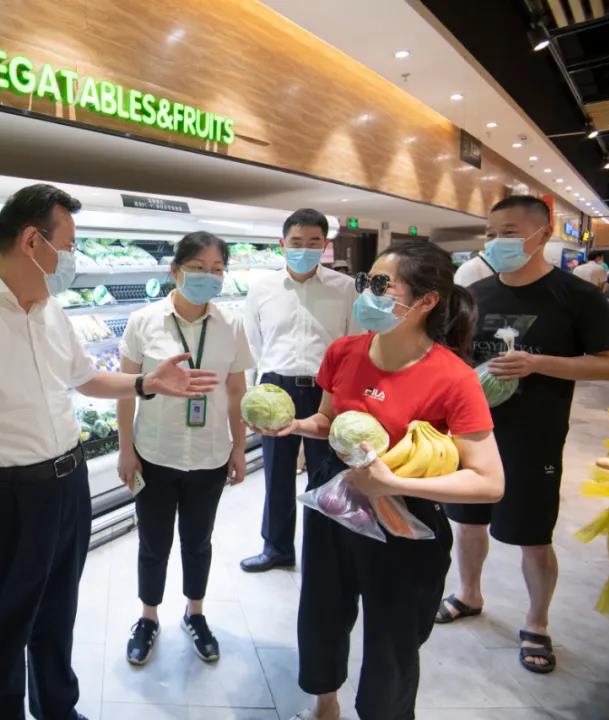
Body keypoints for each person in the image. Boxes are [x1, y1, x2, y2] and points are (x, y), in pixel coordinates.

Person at [0, 184, 218, 720]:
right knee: (2, 629)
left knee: (57, 615)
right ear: (33, 242)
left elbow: (85, 378)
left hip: (67, 486)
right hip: (2, 497)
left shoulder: (51, 310)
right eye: (68, 246)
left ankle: (59, 710)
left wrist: (146, 383)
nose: (72, 258)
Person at [251, 241, 504, 720]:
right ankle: (324, 705)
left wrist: (393, 484)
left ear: (427, 301)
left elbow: (489, 481)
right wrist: (296, 425)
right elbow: (329, 420)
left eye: (382, 285)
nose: (367, 292)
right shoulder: (343, 351)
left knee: (393, 641)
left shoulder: (453, 378)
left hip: (406, 521)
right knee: (322, 612)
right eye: (367, 281)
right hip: (335, 503)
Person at [440, 196, 609, 674]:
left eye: (510, 233)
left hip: (535, 436)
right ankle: (468, 594)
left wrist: (538, 363)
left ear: (543, 232)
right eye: (491, 234)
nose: (497, 242)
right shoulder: (474, 295)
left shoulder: (576, 296)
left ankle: (537, 623)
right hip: (474, 433)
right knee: (467, 523)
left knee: (533, 536)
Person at [117, 231, 255, 665]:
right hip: (155, 452)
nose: (208, 277)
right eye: (197, 268)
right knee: (153, 543)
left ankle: (195, 613)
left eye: (217, 270)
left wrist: (239, 447)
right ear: (175, 269)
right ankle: (148, 617)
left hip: (210, 455)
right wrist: (125, 450)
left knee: (198, 541)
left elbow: (237, 390)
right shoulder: (144, 321)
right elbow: (125, 390)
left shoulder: (231, 324)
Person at [240, 208, 356, 573]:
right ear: (282, 244)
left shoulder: (344, 288)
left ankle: (324, 551)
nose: (304, 249)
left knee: (326, 473)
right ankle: (276, 548)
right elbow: (253, 344)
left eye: (313, 242)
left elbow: (354, 344)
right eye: (296, 242)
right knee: (276, 473)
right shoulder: (262, 288)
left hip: (326, 389)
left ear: (325, 245)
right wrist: (251, 394)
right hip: (276, 388)